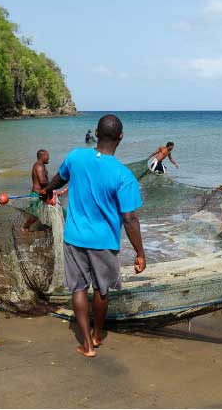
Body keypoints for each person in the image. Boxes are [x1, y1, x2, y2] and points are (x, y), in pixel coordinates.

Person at [40, 114, 145, 358]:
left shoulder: (76, 156)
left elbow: (59, 178)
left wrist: (47, 190)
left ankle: (86, 344)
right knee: (102, 290)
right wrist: (140, 253)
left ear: (96, 134)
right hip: (104, 243)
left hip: (74, 237)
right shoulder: (124, 175)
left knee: (78, 289)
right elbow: (130, 218)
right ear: (121, 137)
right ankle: (98, 335)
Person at [21, 149, 50, 233]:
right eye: (47, 156)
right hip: (37, 195)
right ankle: (25, 228)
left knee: (44, 211)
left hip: (42, 194)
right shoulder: (39, 166)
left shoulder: (41, 165)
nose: (48, 158)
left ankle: (47, 226)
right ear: (42, 156)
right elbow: (42, 181)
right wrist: (53, 185)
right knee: (35, 215)